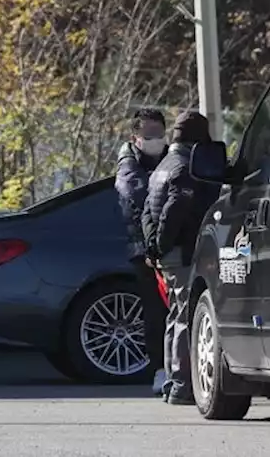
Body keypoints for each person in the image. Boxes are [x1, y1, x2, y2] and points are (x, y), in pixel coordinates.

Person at [142, 110, 221, 405]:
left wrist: (154, 247)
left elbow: (148, 209)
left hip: (168, 254)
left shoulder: (164, 164)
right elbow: (174, 211)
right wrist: (162, 244)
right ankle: (182, 385)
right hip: (182, 252)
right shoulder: (186, 167)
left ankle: (173, 382)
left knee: (175, 316)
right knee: (187, 318)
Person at [115, 108, 169, 395]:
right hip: (144, 248)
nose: (155, 140)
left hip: (172, 243)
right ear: (135, 137)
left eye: (159, 134)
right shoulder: (128, 167)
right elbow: (140, 198)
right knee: (155, 311)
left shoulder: (172, 158)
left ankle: (177, 368)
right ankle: (159, 369)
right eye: (148, 135)